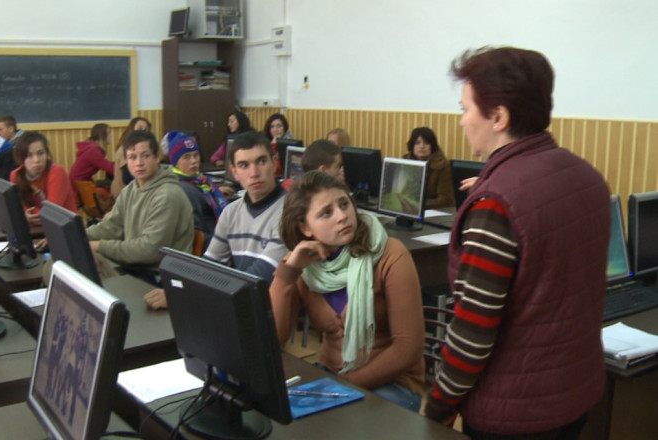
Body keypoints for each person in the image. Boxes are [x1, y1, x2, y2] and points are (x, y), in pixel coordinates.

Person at [424, 47, 610, 439]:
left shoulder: (496, 204)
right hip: (575, 395)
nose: (461, 122)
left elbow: (473, 333)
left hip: (514, 413)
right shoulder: (588, 177)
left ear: (498, 117)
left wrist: (440, 403)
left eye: (465, 109)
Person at [270, 171, 425, 412]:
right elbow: (274, 337)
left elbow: (409, 347)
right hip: (331, 375)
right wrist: (288, 273)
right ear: (305, 227)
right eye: (326, 213)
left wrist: (344, 386)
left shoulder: (389, 254)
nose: (342, 216)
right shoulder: (306, 263)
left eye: (344, 204)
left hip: (392, 384)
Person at [144, 131, 287, 309]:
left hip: (265, 309)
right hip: (235, 302)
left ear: (274, 163)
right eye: (244, 165)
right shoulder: (231, 212)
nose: (254, 173)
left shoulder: (289, 212)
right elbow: (210, 267)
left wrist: (185, 295)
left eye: (261, 161)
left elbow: (258, 279)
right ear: (234, 172)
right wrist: (179, 291)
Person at [86, 130, 194, 284]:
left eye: (145, 156)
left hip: (157, 277)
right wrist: (78, 236)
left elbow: (150, 250)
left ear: (158, 157)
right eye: (132, 157)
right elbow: (111, 226)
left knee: (85, 267)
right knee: (73, 259)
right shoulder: (131, 189)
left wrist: (99, 246)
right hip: (134, 268)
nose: (139, 163)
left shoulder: (168, 195)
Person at [166, 130, 229, 250]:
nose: (194, 161)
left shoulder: (201, 181)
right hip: (212, 247)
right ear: (175, 163)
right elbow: (198, 236)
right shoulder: (184, 189)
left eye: (196, 155)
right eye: (187, 157)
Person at [10, 131, 77, 226]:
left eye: (41, 153)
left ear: (47, 154)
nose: (36, 160)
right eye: (29, 155)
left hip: (64, 228)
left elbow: (52, 213)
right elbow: (17, 207)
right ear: (21, 158)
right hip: (37, 228)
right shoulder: (16, 175)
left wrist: (27, 214)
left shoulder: (57, 172)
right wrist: (25, 215)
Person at [403, 127, 454, 209]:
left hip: (435, 210)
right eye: (417, 143)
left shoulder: (443, 166)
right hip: (408, 208)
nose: (422, 146)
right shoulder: (405, 162)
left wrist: (417, 204)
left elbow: (446, 200)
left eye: (426, 143)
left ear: (432, 145)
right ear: (412, 146)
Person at [112, 117, 152, 198]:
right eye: (140, 128)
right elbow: (128, 178)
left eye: (146, 129)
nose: (143, 132)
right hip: (125, 195)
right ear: (131, 130)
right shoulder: (125, 149)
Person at [69, 123, 114, 190]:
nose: (111, 135)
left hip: (78, 184)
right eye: (109, 133)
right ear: (102, 136)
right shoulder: (94, 151)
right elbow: (110, 168)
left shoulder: (92, 148)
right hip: (78, 188)